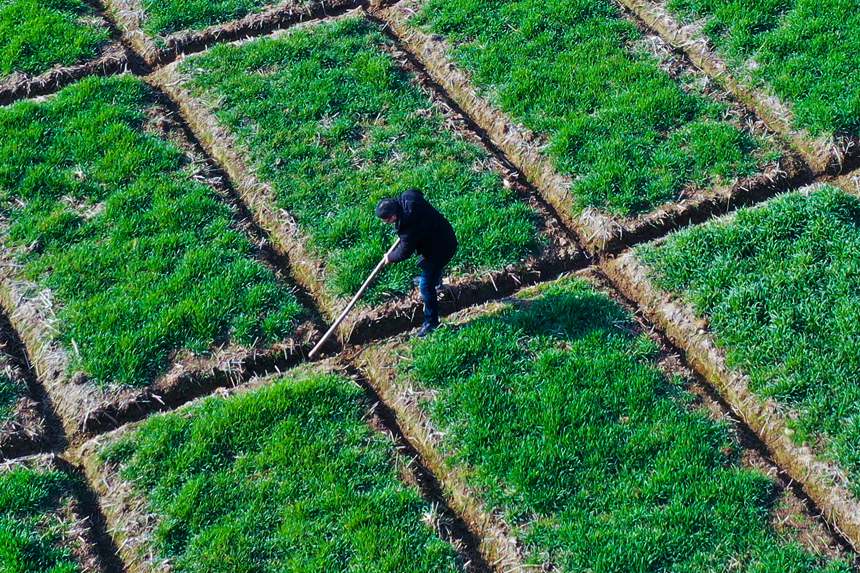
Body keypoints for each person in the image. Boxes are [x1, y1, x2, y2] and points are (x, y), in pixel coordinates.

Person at [376, 189, 457, 337]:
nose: (386, 223)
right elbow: (417, 191)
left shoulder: (407, 229)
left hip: (441, 249)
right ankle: (436, 282)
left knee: (425, 286)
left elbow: (403, 252)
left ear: (393, 216)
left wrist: (389, 258)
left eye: (387, 220)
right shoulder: (409, 196)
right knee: (431, 271)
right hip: (444, 233)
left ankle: (431, 323)